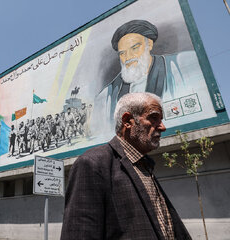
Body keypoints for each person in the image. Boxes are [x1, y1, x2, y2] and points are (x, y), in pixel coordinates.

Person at [61, 92, 191, 240]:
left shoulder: (145, 166)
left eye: (161, 120)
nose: (162, 127)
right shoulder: (93, 163)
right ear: (128, 121)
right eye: (153, 118)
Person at [94, 19, 211, 131]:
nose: (128, 57)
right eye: (123, 53)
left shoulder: (182, 65)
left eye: (134, 48)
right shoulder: (106, 96)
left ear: (149, 44)